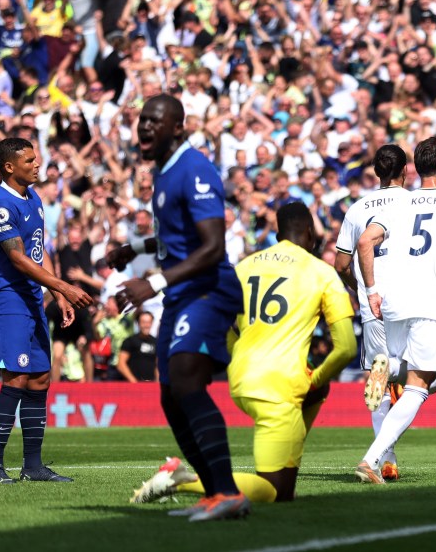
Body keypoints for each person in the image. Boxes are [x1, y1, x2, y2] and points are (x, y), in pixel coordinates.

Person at [132, 202, 357, 503]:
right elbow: (346, 348)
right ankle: (179, 481)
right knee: (273, 491)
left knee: (317, 398)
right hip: (281, 385)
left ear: (277, 234)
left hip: (242, 376)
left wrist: (237, 357)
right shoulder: (322, 273)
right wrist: (313, 380)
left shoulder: (246, 265)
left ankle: (287, 456)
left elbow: (223, 326)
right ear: (309, 233)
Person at [107, 95, 248, 521]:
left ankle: (227, 492)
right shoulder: (164, 173)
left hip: (209, 288)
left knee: (187, 379)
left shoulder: (195, 168)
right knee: (171, 396)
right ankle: (214, 492)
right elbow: (176, 237)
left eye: (154, 120)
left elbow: (211, 247)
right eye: (141, 120)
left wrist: (149, 282)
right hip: (182, 293)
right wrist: (135, 247)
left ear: (177, 128)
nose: (144, 127)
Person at [0, 137, 91, 484]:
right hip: (8, 301)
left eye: (36, 158)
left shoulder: (35, 199)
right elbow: (16, 257)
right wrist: (64, 286)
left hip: (33, 300)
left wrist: (55, 295)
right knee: (16, 377)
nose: (37, 164)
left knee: (41, 378)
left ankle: (33, 466)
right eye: (29, 160)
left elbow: (38, 252)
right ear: (9, 167)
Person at [352, 137, 436, 484]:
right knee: (426, 382)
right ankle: (371, 459)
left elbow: (364, 241)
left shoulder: (400, 203)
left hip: (395, 306)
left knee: (421, 376)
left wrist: (371, 291)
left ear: (415, 169)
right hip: (432, 304)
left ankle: (392, 368)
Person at [333, 144, 411, 481]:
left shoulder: (357, 208)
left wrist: (362, 289)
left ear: (376, 172)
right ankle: (393, 369)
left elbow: (340, 262)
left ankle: (386, 459)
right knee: (426, 374)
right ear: (404, 171)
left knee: (378, 382)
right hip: (411, 297)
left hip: (372, 301)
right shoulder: (415, 201)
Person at [116, 311, 158, 382]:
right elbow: (121, 364)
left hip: (151, 385)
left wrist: (158, 383)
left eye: (148, 322)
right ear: (138, 323)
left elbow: (158, 366)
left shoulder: (156, 342)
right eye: (143, 322)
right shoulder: (129, 341)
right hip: (133, 385)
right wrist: (134, 382)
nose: (146, 325)